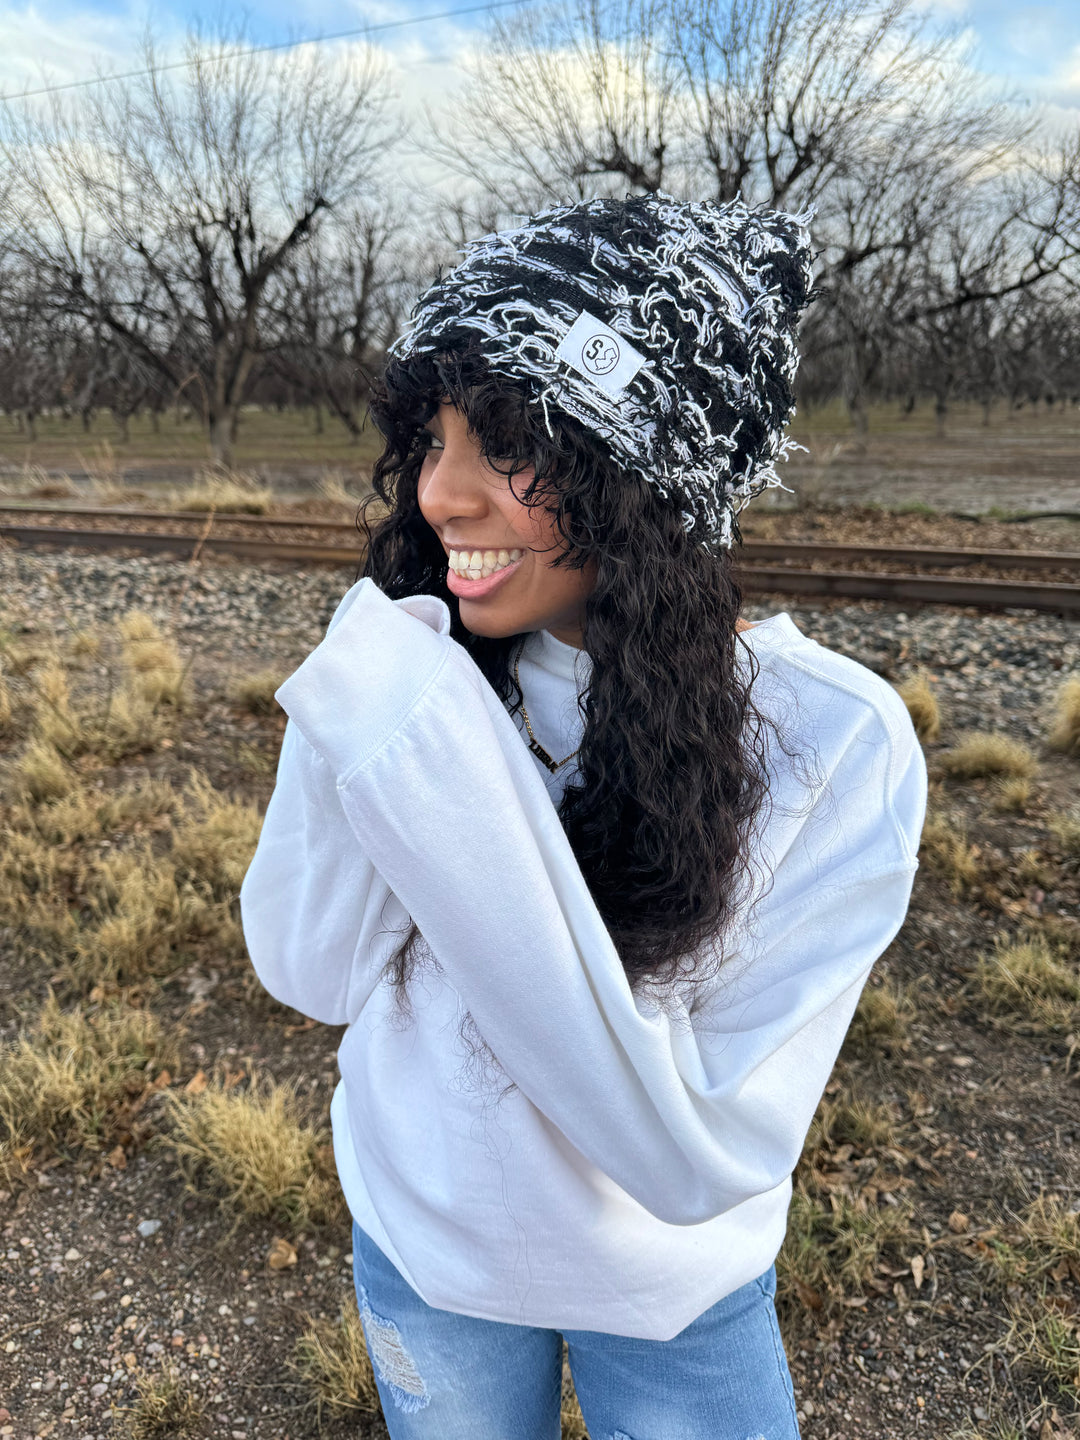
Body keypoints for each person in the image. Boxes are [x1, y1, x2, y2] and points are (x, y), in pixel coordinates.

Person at [239, 192, 927, 1440]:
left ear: (650, 478)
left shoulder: (835, 742)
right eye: (429, 437)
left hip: (674, 1300)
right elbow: (312, 970)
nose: (441, 496)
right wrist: (381, 713)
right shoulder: (419, 667)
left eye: (506, 442)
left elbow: (687, 1158)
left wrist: (434, 773)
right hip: (425, 1253)